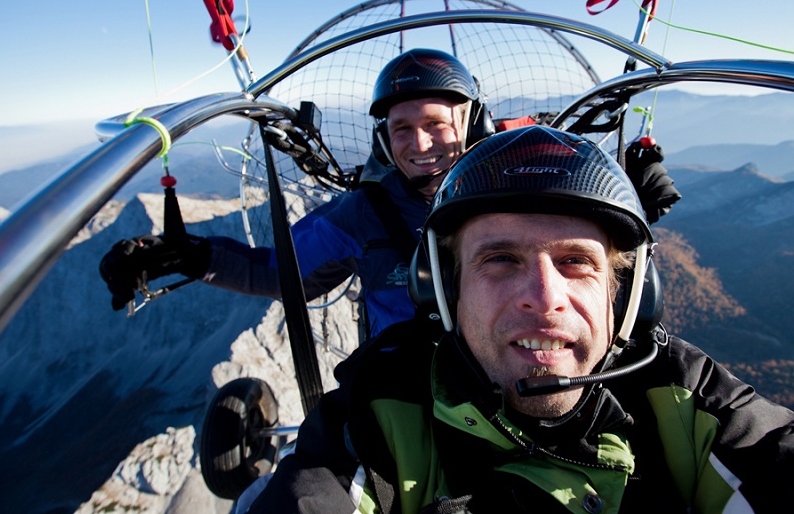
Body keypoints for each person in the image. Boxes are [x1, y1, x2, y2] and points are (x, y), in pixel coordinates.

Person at [245, 125, 793, 514]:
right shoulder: (383, 408)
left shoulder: (683, 398)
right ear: (443, 290)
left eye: (576, 262)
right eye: (501, 259)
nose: (543, 297)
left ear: (627, 297)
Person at [99, 49, 680, 339]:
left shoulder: (529, 183)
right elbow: (282, 271)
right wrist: (192, 257)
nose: (419, 143)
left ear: (471, 120)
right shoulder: (364, 212)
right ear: (384, 136)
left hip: (528, 374)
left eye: (435, 123)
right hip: (406, 393)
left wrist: (634, 197)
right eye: (402, 129)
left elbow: (595, 249)